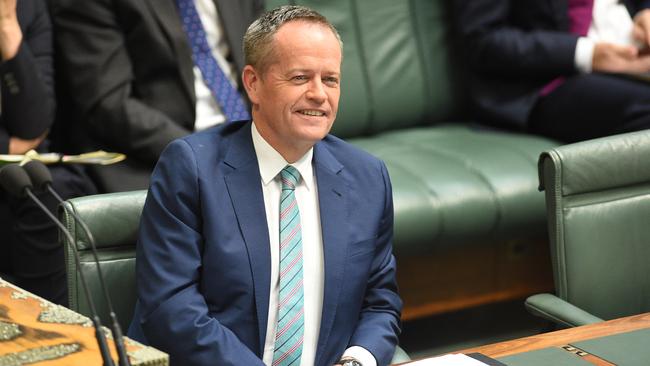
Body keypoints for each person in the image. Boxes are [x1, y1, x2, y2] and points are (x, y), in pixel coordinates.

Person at [128, 5, 402, 366]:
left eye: (330, 79)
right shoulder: (191, 168)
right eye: (301, 77)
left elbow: (380, 303)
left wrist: (357, 361)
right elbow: (170, 308)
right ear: (253, 83)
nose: (319, 94)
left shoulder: (367, 177)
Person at [49, 0, 263, 192]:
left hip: (252, 134)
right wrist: (205, 153)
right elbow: (109, 104)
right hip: (159, 153)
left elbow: (263, 64)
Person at [0, 0, 96, 305]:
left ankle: (58, 337)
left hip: (17, 170)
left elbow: (35, 122)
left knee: (54, 193)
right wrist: (7, 146)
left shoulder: (26, 8)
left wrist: (7, 28)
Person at [455, 0, 650, 143]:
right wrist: (587, 54)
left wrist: (645, 10)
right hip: (548, 79)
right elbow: (482, 41)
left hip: (635, 51)